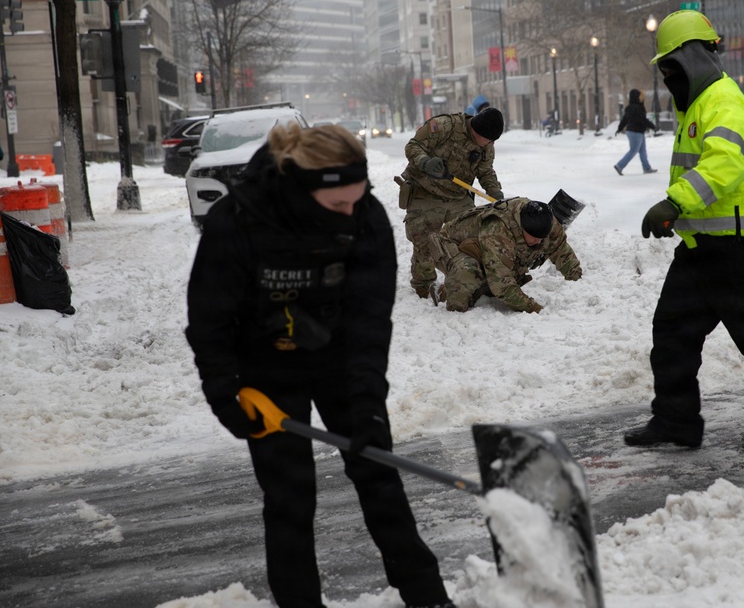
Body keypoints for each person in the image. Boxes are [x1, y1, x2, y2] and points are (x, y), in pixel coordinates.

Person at [186, 123, 456, 608]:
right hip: (266, 367)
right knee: (289, 497)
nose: (351, 211)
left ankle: (428, 597)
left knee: (378, 474)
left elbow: (369, 319)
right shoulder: (240, 220)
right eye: (338, 204)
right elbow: (210, 318)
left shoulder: (364, 215)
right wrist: (223, 393)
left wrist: (368, 401)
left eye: (357, 198)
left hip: (339, 359)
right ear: (304, 189)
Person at [623, 10, 744, 451]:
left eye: (671, 68)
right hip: (701, 248)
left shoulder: (723, 102)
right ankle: (676, 421)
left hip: (732, 250)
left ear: (691, 59)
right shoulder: (700, 104)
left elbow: (722, 166)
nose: (667, 78)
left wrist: (676, 202)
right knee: (672, 333)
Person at [400, 107, 505, 299]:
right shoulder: (444, 126)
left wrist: (495, 192)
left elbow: (485, 171)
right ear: (476, 131)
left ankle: (467, 281)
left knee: (471, 241)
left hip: (458, 196)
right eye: (489, 140)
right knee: (425, 241)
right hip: (425, 191)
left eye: (492, 141)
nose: (491, 144)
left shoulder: (486, 144)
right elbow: (413, 146)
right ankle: (424, 285)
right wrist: (425, 162)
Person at [427, 197, 581, 313]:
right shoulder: (498, 230)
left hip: (483, 248)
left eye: (542, 238)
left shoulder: (546, 220)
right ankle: (443, 294)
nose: (539, 241)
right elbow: (502, 284)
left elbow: (561, 249)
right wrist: (534, 308)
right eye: (534, 238)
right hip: (451, 244)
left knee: (500, 274)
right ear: (522, 228)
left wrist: (577, 281)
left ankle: (475, 290)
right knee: (467, 272)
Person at [613, 88, 658, 175]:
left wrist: (619, 128)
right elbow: (643, 120)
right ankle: (619, 166)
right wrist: (653, 126)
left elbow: (624, 119)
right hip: (636, 132)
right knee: (633, 150)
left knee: (642, 150)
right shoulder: (637, 108)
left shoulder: (630, 107)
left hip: (635, 132)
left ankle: (647, 168)